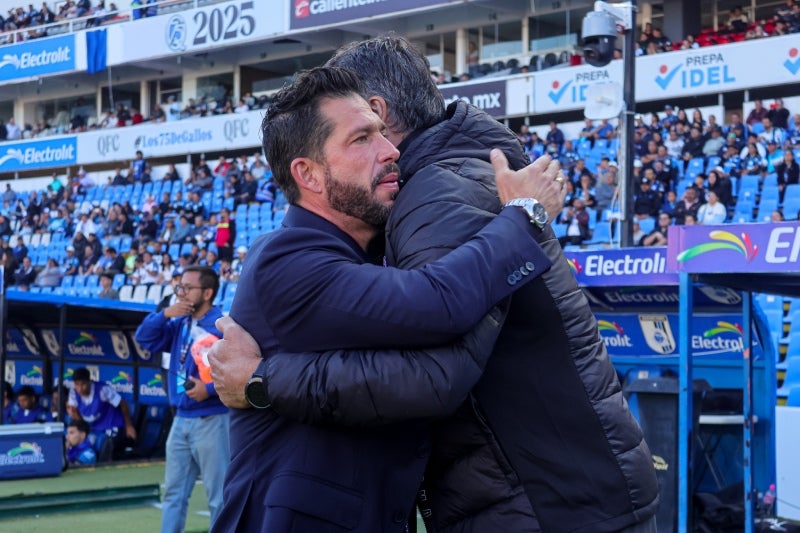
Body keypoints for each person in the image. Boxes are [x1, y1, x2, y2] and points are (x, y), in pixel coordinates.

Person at [210, 36, 657, 533]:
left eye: (381, 133)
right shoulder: (290, 260)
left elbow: (433, 370)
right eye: (362, 138)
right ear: (309, 175)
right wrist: (525, 218)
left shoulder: (433, 192)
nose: (388, 152)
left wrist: (262, 381)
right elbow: (438, 316)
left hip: (545, 500)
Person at [134, 266, 229, 533]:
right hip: (180, 420)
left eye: (188, 287)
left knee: (219, 497)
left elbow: (239, 373)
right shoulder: (179, 323)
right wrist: (165, 313)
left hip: (213, 419)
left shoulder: (222, 325)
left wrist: (208, 389)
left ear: (207, 293)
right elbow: (143, 338)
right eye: (179, 287)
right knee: (173, 495)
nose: (181, 293)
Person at [67, 367, 136, 457]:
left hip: (110, 425)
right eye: (77, 384)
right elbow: (75, 412)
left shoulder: (102, 389)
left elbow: (123, 404)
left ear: (89, 381)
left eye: (83, 384)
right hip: (93, 428)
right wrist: (82, 429)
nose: (80, 389)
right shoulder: (73, 392)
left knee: (106, 446)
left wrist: (129, 426)